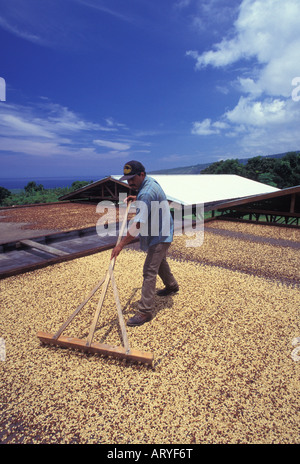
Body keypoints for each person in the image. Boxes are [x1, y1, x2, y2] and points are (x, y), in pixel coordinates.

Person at [111, 160, 179, 327]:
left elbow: (138, 225)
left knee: (149, 270)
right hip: (162, 228)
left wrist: (120, 245)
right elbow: (150, 198)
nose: (130, 182)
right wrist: (136, 197)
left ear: (142, 174)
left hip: (160, 233)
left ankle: (145, 311)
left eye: (132, 178)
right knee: (160, 261)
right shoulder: (149, 184)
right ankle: (172, 286)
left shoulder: (146, 193)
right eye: (127, 179)